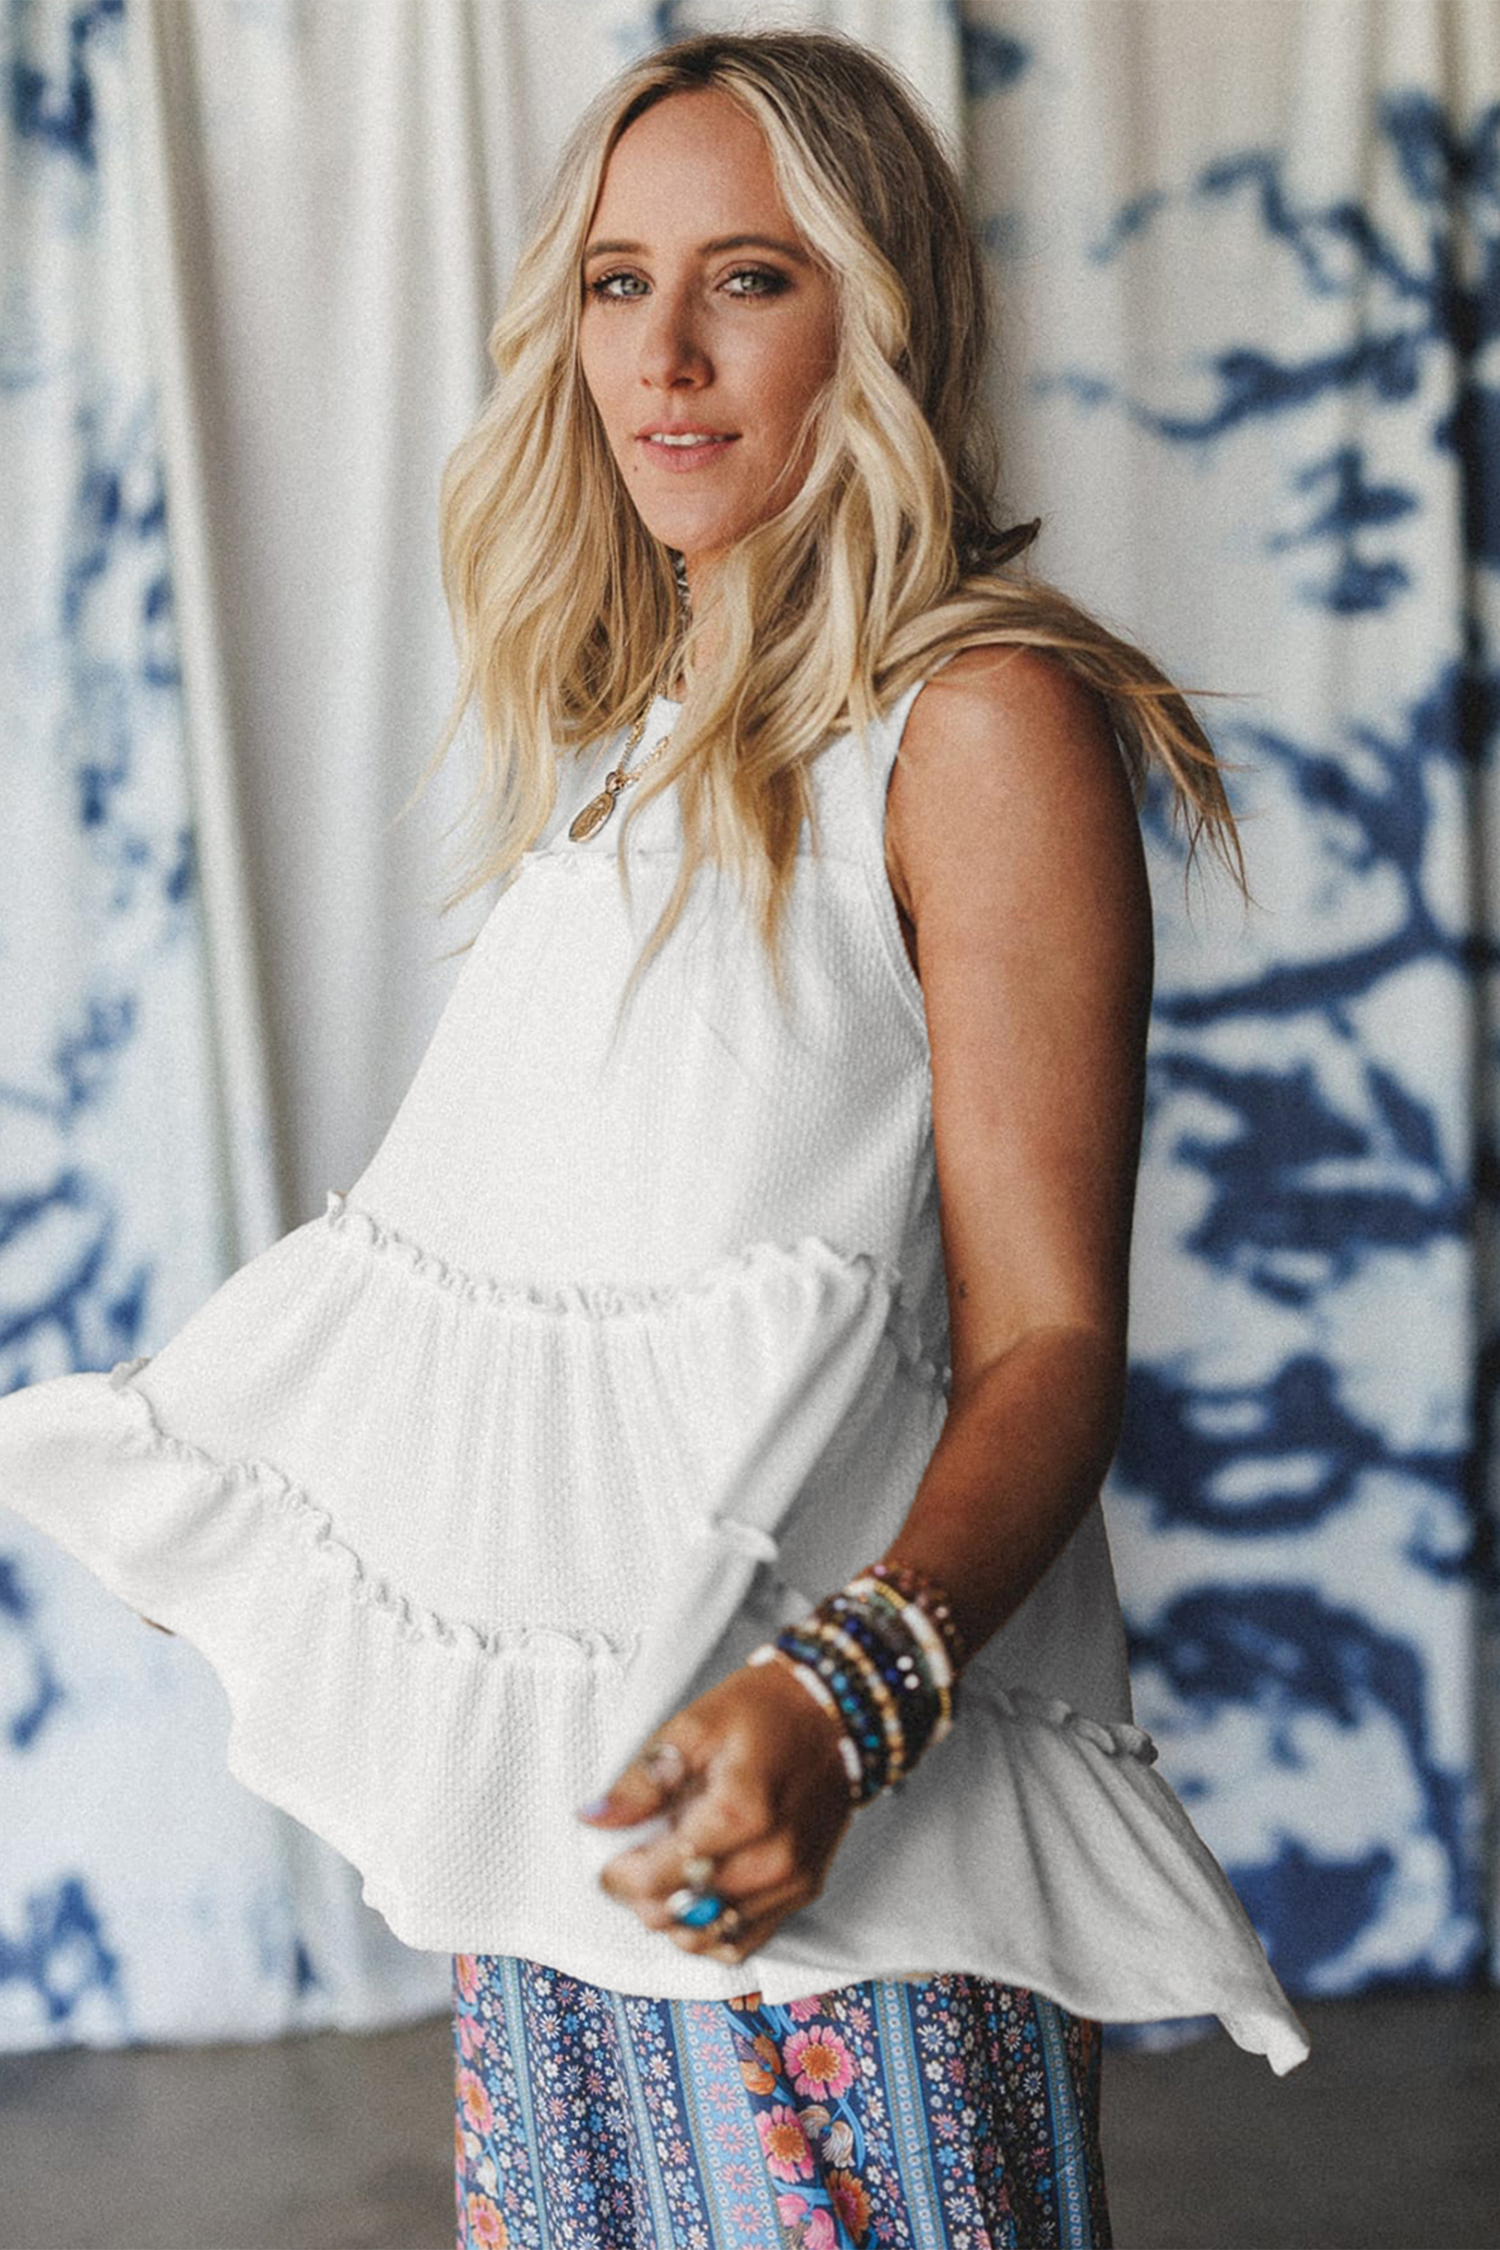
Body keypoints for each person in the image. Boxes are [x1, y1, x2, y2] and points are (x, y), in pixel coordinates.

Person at [0, 29, 1309, 2250]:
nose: (667, 356)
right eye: (616, 283)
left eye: (752, 280)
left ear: (878, 314)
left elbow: (1053, 1345)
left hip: (844, 1883)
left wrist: (845, 1695)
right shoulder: (631, 756)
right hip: (579, 1891)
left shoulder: (977, 724)